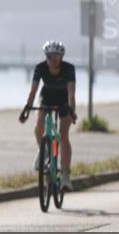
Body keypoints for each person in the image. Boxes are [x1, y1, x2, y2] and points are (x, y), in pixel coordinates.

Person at [19, 40, 76, 191]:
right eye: (50, 56)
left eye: (57, 56)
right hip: (47, 97)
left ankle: (65, 175)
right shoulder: (40, 68)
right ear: (46, 56)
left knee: (63, 134)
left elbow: (71, 93)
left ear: (62, 57)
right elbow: (34, 90)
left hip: (64, 100)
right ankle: (42, 151)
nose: (53, 59)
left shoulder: (69, 69)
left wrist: (72, 110)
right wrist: (27, 108)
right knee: (39, 125)